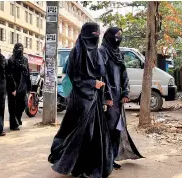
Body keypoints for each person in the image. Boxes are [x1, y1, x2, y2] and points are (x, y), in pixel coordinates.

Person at [48, 22, 114, 178]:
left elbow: (103, 76)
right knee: (79, 135)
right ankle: (76, 166)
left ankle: (88, 167)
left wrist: (107, 95)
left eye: (97, 35)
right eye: (93, 35)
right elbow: (75, 77)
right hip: (79, 102)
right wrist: (92, 83)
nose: (94, 39)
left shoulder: (98, 53)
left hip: (95, 101)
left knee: (93, 135)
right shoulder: (76, 53)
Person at [99, 27, 144, 168]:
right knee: (107, 129)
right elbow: (101, 75)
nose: (119, 38)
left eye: (121, 35)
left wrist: (125, 92)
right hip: (108, 97)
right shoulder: (102, 52)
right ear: (109, 36)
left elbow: (124, 74)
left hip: (118, 98)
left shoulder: (117, 53)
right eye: (117, 35)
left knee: (117, 129)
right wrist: (106, 96)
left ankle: (111, 157)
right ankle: (105, 160)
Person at [7, 43, 31, 130]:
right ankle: (13, 124)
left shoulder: (25, 59)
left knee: (22, 105)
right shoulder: (11, 60)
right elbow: (8, 75)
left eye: (21, 49)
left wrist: (29, 86)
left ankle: (18, 118)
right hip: (13, 86)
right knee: (13, 106)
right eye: (18, 49)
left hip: (23, 86)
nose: (20, 51)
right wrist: (12, 88)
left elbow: (27, 73)